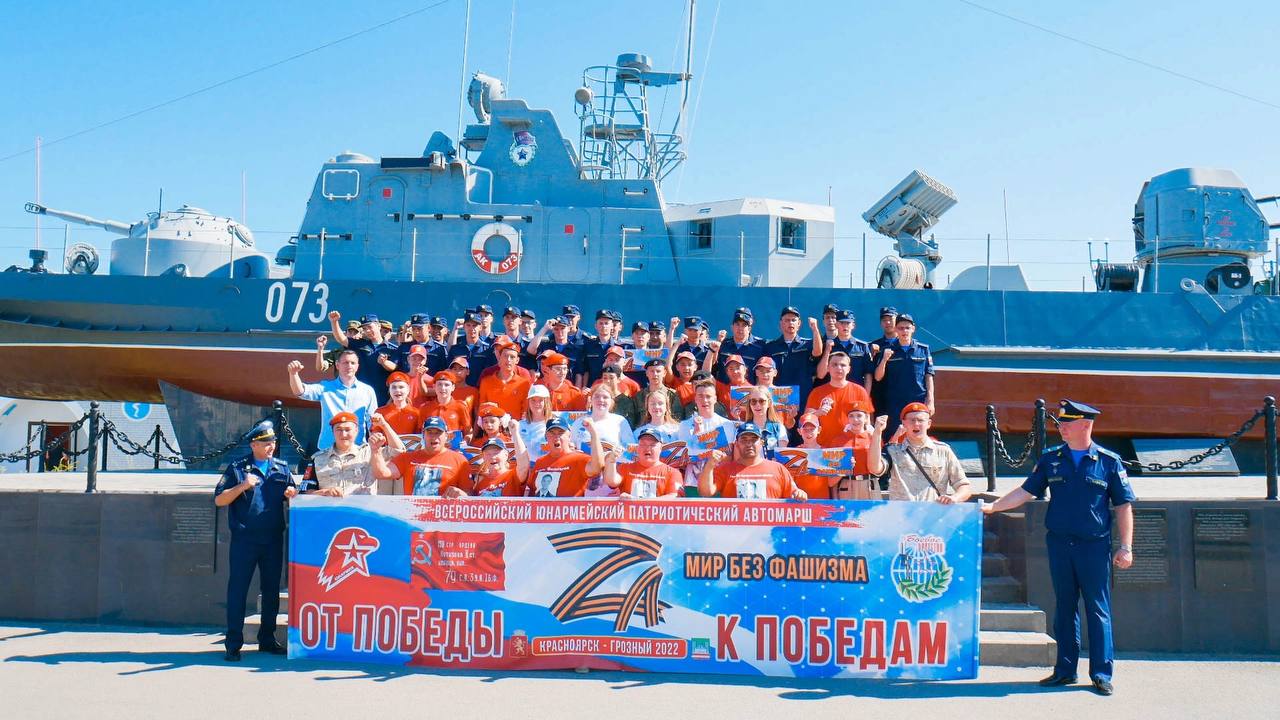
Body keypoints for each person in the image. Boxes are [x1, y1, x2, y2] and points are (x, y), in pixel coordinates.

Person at [983, 400, 1135, 696]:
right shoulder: (1051, 459)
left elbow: (1123, 506)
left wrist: (1126, 546)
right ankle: (1065, 670)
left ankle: (1101, 673)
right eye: (1061, 423)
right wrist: (994, 507)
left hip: (1093, 546)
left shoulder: (1108, 461)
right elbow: (1026, 491)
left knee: (1097, 608)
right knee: (1064, 607)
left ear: (1085, 425)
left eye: (1068, 423)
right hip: (1060, 544)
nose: (1061, 427)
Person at [213, 421, 296, 661]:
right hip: (245, 539)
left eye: (273, 442)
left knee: (271, 591)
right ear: (253, 445)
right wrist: (243, 485)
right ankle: (233, 643)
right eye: (265, 443)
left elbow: (293, 494)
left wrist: (292, 494)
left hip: (272, 539)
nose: (270, 447)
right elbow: (219, 500)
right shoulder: (238, 468)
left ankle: (267, 639)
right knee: (238, 590)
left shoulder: (281, 468)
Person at [881, 403, 970, 503]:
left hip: (932, 510)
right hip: (902, 511)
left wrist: (955, 498)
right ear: (904, 423)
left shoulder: (943, 451)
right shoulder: (894, 451)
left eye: (920, 420)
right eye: (912, 420)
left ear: (928, 423)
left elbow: (963, 485)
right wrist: (877, 432)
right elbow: (875, 469)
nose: (916, 424)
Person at [288, 352, 378, 451]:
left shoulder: (367, 391)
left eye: (353, 363)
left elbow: (373, 422)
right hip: (328, 449)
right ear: (337, 365)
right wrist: (293, 374)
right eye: (345, 362)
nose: (349, 366)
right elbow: (300, 391)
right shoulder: (325, 387)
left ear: (357, 366)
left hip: (358, 449)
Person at [699, 422, 807, 500]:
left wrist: (799, 493)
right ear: (736, 444)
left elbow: (794, 493)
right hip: (735, 525)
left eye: (753, 440)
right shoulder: (725, 469)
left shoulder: (778, 469)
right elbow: (706, 492)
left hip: (768, 526)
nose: (749, 444)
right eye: (744, 440)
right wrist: (709, 466)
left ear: (761, 443)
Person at [302, 412, 398, 497]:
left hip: (362, 510)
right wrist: (325, 492)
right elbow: (304, 492)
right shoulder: (318, 459)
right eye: (339, 429)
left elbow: (398, 450)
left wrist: (384, 425)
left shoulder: (370, 452)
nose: (343, 434)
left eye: (348, 430)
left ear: (356, 431)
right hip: (330, 510)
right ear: (333, 432)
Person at [371, 416, 472, 496]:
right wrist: (375, 450)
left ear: (446, 436)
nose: (434, 437)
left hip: (443, 515)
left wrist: (461, 494)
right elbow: (381, 473)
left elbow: (470, 496)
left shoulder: (460, 461)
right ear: (423, 435)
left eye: (438, 433)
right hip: (411, 514)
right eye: (429, 432)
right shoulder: (407, 458)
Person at [874, 313, 936, 440]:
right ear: (896, 330)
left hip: (917, 399)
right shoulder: (887, 350)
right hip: (894, 402)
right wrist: (884, 360)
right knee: (894, 434)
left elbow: (929, 376)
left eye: (907, 328)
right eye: (901, 328)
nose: (904, 331)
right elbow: (878, 377)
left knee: (918, 433)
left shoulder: (923, 349)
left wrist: (930, 400)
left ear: (913, 329)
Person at [517, 415, 605, 497]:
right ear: (546, 436)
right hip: (542, 508)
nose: (556, 437)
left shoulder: (580, 459)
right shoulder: (539, 462)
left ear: (569, 436)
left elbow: (597, 467)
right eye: (552, 433)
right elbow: (532, 492)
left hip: (570, 509)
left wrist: (593, 433)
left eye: (561, 433)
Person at [571, 384, 635, 497]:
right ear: (591, 399)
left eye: (605, 397)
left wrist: (617, 454)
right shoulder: (579, 422)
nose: (601, 400)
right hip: (585, 479)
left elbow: (630, 451)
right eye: (597, 396)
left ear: (611, 401)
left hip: (612, 480)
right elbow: (571, 448)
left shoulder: (620, 421)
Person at [677, 381, 737, 494]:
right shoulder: (685, 425)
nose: (704, 400)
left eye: (708, 396)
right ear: (695, 399)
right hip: (692, 482)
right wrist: (697, 435)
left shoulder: (727, 424)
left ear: (715, 399)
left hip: (718, 481)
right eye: (700, 396)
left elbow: (729, 456)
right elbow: (683, 457)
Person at [326, 311, 398, 405]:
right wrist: (334, 322)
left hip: (383, 397)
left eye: (369, 327)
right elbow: (341, 339)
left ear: (378, 326)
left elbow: (395, 368)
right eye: (364, 328)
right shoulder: (360, 344)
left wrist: (384, 363)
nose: (367, 331)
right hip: (361, 396)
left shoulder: (392, 349)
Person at [804, 352, 874, 446]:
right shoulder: (817, 392)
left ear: (849, 369)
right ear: (828, 368)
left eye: (843, 365)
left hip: (852, 446)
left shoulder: (860, 391)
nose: (839, 368)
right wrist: (818, 413)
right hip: (824, 446)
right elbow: (805, 420)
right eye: (834, 365)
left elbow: (867, 422)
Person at [763, 307, 823, 408]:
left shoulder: (807, 344)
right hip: (779, 396)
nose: (790, 323)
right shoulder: (771, 347)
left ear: (799, 323)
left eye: (793, 320)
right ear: (781, 324)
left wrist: (815, 329)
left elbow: (818, 352)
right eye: (787, 320)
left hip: (803, 396)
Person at [603, 428, 682, 499]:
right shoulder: (625, 467)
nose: (647, 448)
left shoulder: (673, 473)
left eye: (652, 445)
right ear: (637, 448)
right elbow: (612, 482)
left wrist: (639, 501)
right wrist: (611, 461)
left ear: (660, 448)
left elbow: (674, 497)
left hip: (657, 511)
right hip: (629, 510)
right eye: (643, 444)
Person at [829, 402, 885, 500]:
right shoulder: (838, 441)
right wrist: (835, 498)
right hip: (847, 486)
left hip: (870, 486)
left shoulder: (874, 438)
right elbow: (831, 478)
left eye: (859, 415)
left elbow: (881, 464)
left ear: (866, 418)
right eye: (851, 416)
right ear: (847, 419)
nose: (855, 419)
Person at [818, 309, 873, 392]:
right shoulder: (827, 346)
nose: (845, 326)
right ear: (836, 325)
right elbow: (820, 375)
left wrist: (865, 396)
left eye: (848, 323)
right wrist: (827, 351)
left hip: (855, 393)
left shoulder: (862, 346)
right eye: (842, 323)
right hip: (833, 393)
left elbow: (868, 375)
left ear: (853, 325)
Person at [452, 437, 522, 498]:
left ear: (506, 455)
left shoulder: (515, 475)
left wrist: (515, 432)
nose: (492, 457)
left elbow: (524, 463)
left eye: (496, 453)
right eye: (488, 454)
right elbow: (475, 504)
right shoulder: (480, 484)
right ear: (483, 457)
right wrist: (462, 495)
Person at [478, 339, 532, 417]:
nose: (508, 360)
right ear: (499, 358)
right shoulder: (486, 382)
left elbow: (525, 411)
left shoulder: (524, 384)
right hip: (492, 424)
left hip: (516, 424)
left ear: (517, 360)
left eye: (512, 357)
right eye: (505, 356)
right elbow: (481, 410)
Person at [713, 307, 766, 383]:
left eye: (744, 325)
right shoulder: (723, 344)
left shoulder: (760, 346)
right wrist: (717, 346)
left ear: (749, 328)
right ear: (732, 327)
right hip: (724, 389)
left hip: (749, 389)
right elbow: (713, 367)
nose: (740, 328)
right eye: (737, 324)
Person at [739, 385, 788, 458]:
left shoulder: (779, 428)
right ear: (749, 404)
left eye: (761, 401)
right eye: (753, 401)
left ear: (769, 403)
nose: (757, 405)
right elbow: (738, 456)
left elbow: (782, 457)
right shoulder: (742, 429)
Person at [447, 311, 494, 388]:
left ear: (480, 327)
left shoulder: (487, 349)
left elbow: (490, 372)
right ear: (464, 327)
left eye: (474, 325)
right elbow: (449, 371)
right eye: (468, 325)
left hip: (480, 390)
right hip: (459, 390)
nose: (471, 328)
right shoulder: (455, 349)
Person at [377, 372, 426, 436]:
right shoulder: (380, 412)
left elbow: (421, 436)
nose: (397, 390)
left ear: (408, 390)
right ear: (389, 390)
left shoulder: (417, 413)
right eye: (394, 387)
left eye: (401, 387)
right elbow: (375, 433)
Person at [636, 358, 683, 422]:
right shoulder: (639, 396)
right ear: (646, 373)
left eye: (658, 371)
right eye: (652, 371)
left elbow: (677, 417)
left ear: (664, 373)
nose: (655, 374)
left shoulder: (672, 395)